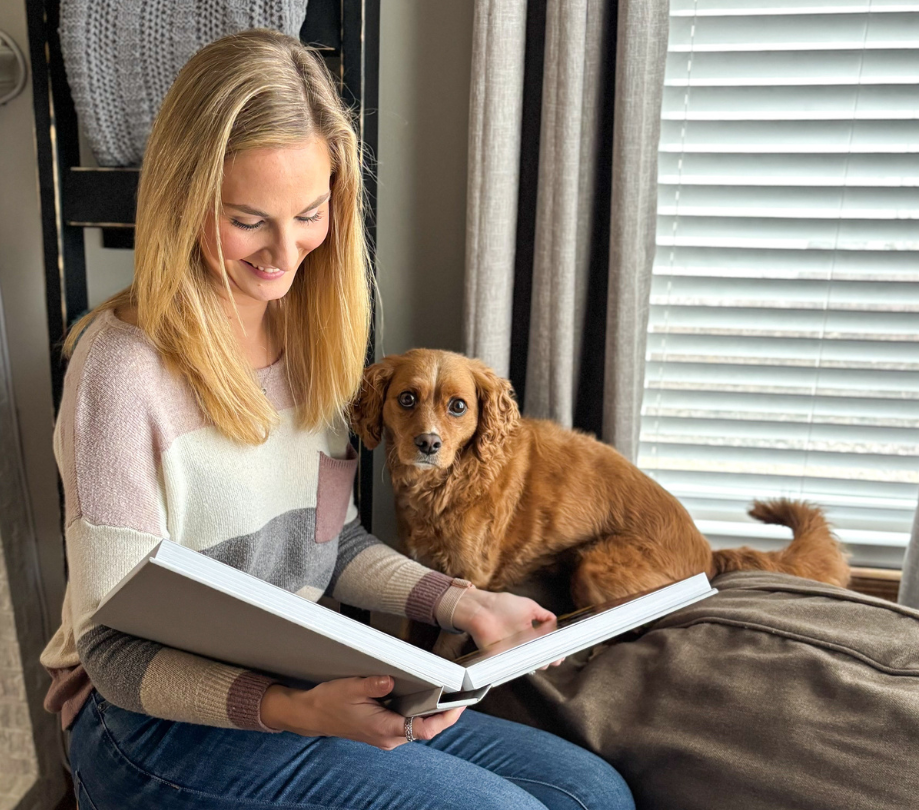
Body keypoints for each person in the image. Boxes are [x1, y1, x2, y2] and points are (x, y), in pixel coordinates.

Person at [40, 28, 636, 810]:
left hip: (298, 675)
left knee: (592, 791)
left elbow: (330, 544)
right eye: (247, 219)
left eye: (310, 214)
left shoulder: (313, 336)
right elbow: (112, 650)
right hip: (151, 717)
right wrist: (292, 711)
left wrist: (467, 603)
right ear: (181, 200)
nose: (284, 255)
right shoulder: (120, 373)